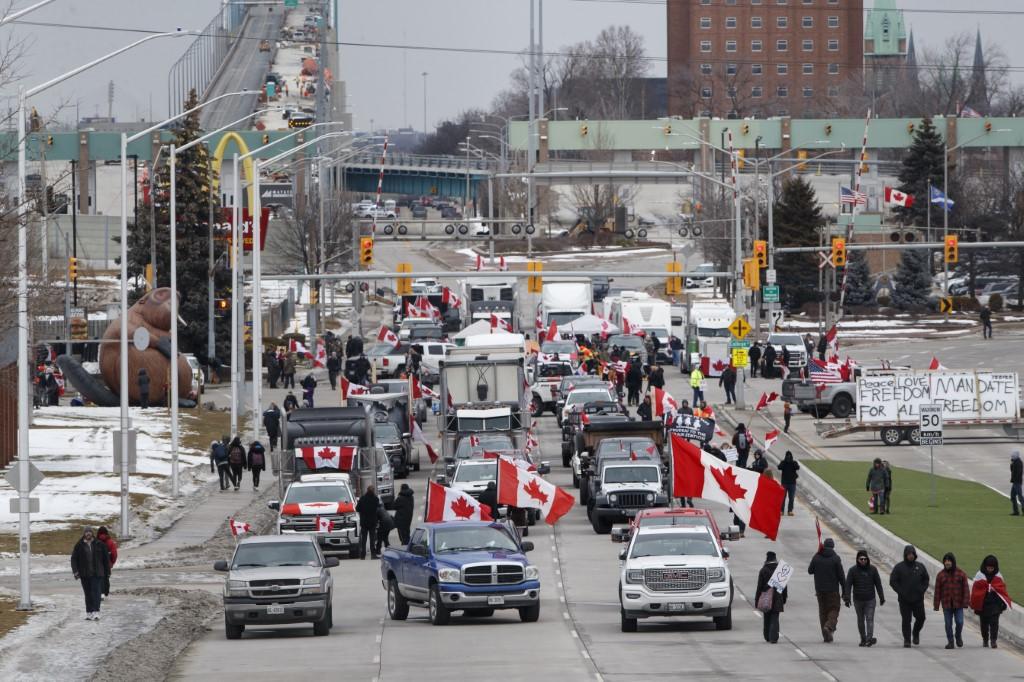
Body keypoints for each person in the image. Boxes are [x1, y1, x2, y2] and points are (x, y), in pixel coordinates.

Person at [889, 544, 930, 648]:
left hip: (918, 599)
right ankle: (907, 640)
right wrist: (900, 591)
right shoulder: (899, 567)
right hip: (904, 600)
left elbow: (926, 579)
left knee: (921, 618)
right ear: (905, 555)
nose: (911, 556)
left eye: (912, 554)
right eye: (909, 554)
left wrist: (921, 590)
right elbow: (893, 581)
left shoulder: (920, 566)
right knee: (906, 620)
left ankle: (915, 633)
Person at [808, 537, 846, 642]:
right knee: (834, 609)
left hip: (819, 590)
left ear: (824, 545)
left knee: (823, 612)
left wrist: (816, 555)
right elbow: (841, 576)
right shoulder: (836, 558)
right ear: (833, 547)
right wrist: (845, 590)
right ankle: (829, 627)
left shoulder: (817, 556)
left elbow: (810, 570)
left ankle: (826, 636)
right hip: (833, 590)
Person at [844, 549, 885, 647]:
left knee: (870, 619)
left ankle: (869, 638)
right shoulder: (852, 570)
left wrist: (881, 597)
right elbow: (848, 585)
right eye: (861, 559)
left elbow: (878, 584)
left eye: (865, 559)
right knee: (860, 619)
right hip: (858, 599)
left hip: (870, 599)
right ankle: (863, 638)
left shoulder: (873, 570)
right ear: (857, 560)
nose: (863, 561)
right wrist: (847, 598)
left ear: (867, 559)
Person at [970, 554, 1010, 648]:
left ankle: (993, 641)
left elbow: (1002, 590)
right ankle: (985, 639)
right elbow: (976, 589)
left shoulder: (998, 576)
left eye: (992, 568)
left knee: (994, 623)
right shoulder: (979, 575)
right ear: (985, 566)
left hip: (995, 604)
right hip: (983, 604)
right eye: (988, 567)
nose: (990, 570)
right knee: (984, 624)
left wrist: (995, 590)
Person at [70, 526, 110, 621]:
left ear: (92, 533)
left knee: (96, 593)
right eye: (86, 532)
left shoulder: (99, 544)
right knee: (88, 594)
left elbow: (106, 560)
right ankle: (89, 612)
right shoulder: (79, 545)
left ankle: (96, 612)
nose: (88, 533)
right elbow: (73, 559)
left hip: (97, 573)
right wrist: (75, 571)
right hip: (85, 574)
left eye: (89, 532)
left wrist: (107, 572)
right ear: (84, 534)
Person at [933, 552, 970, 649]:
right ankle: (950, 641)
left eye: (949, 561)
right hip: (946, 604)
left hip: (958, 604)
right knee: (948, 624)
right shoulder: (940, 575)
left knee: (960, 622)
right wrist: (936, 605)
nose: (947, 563)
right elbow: (937, 591)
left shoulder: (961, 574)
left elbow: (966, 589)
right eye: (945, 561)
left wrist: (966, 602)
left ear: (953, 562)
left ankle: (958, 636)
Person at [755, 551, 787, 644]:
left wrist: (757, 600)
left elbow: (759, 587)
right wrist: (784, 598)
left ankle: (767, 636)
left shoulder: (763, 570)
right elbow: (784, 587)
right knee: (774, 617)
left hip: (766, 598)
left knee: (767, 616)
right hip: (778, 597)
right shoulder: (781, 570)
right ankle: (774, 637)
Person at [356, 485, 380, 559]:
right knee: (372, 539)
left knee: (364, 539)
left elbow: (357, 508)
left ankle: (363, 555)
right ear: (373, 491)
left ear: (367, 490)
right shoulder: (376, 499)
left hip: (364, 521)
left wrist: (363, 512)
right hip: (372, 521)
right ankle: (373, 554)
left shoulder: (362, 498)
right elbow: (377, 508)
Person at [96, 526, 118, 598]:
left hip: (97, 564)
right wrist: (112, 563)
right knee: (106, 578)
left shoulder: (95, 542)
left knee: (99, 578)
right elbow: (114, 554)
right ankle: (106, 593)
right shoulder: (110, 542)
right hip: (107, 564)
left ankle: (100, 592)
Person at [778, 451, 799, 515]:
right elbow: (779, 467)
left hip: (792, 483)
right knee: (783, 498)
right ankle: (781, 510)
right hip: (784, 483)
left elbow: (798, 467)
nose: (788, 457)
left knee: (791, 498)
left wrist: (793, 463)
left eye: (789, 456)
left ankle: (790, 510)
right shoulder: (783, 462)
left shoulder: (794, 462)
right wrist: (784, 462)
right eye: (787, 456)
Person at [1011, 451, 1023, 515]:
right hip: (1015, 482)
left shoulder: (1018, 462)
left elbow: (1018, 472)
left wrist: (1015, 480)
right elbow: (1012, 470)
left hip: (1017, 482)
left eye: (1013, 456)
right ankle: (1016, 511)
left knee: (1020, 497)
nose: (1012, 457)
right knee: (1013, 496)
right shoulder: (1015, 462)